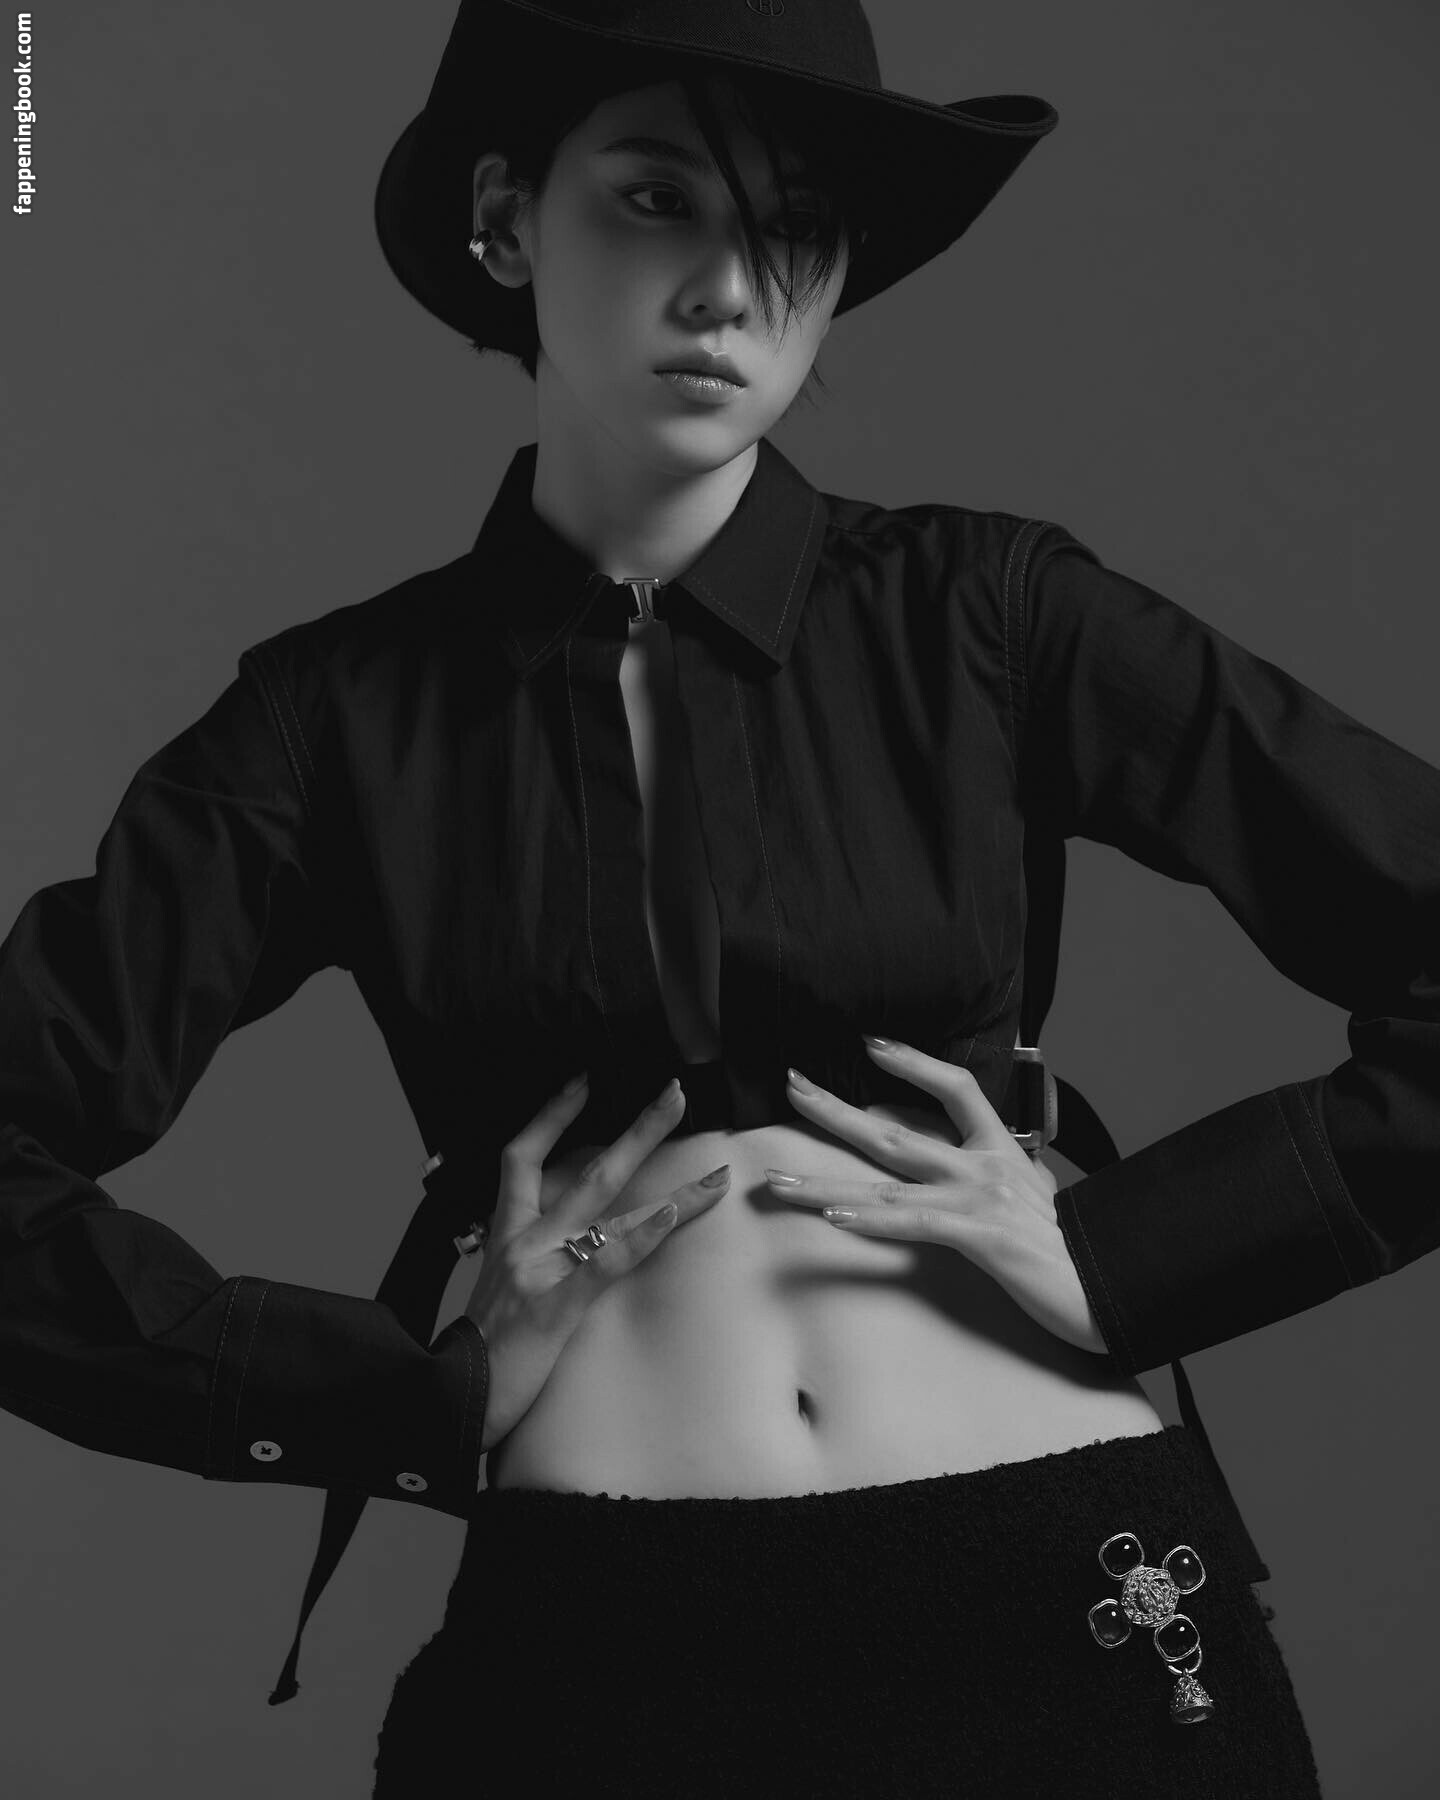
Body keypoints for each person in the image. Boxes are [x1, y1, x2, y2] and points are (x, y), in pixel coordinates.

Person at [3, 2, 1436, 1795]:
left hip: (1058, 1594)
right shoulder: (334, 720)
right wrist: (393, 1396)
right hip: (600, 1653)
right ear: (506, 219)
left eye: (795, 226)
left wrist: (1130, 1256)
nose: (734, 290)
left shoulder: (991, 618)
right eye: (657, 197)